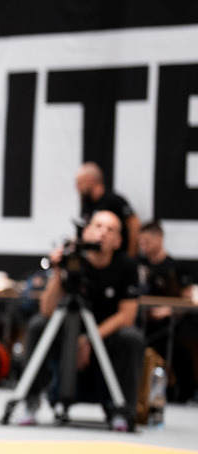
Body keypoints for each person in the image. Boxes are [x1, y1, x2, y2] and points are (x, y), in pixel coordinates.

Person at [20, 210, 145, 430]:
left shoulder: (127, 266)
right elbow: (47, 309)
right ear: (85, 232)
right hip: (68, 333)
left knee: (131, 337)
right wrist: (58, 270)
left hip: (105, 337)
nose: (102, 233)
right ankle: (30, 402)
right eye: (97, 226)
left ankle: (123, 412)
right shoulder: (73, 260)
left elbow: (127, 316)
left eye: (110, 230)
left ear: (118, 241)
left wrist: (88, 339)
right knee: (38, 325)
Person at [137, 221, 197, 403]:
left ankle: (183, 394)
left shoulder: (176, 267)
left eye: (147, 241)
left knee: (179, 353)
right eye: (141, 242)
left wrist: (169, 311)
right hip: (142, 324)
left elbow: (189, 297)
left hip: (170, 327)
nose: (143, 246)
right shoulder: (138, 267)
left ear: (159, 238)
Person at [76, 162, 141, 257]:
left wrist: (131, 255)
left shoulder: (114, 201)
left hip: (117, 258)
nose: (77, 188)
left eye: (80, 183)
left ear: (91, 180)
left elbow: (134, 226)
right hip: (97, 259)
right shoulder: (86, 204)